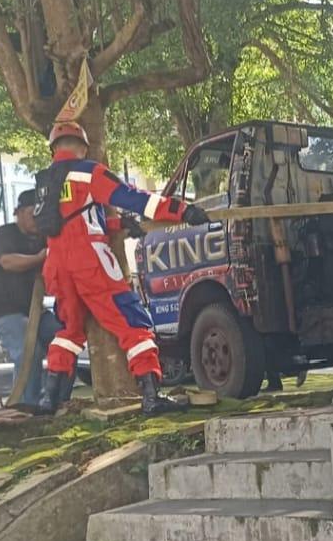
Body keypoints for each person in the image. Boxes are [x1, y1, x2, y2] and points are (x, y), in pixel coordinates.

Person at [37, 121, 211, 416]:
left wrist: (118, 225)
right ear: (81, 147)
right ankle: (152, 396)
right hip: (90, 262)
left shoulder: (44, 183)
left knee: (68, 330)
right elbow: (133, 198)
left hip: (57, 266)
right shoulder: (89, 171)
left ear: (54, 148)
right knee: (133, 323)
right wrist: (182, 210)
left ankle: (48, 398)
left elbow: (73, 222)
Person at [0, 189, 67, 410]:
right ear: (18, 212)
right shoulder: (3, 234)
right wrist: (39, 258)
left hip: (35, 310)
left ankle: (59, 400)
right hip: (3, 311)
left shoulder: (44, 239)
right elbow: (8, 262)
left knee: (65, 339)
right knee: (29, 347)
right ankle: (26, 406)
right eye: (31, 213)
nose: (35, 218)